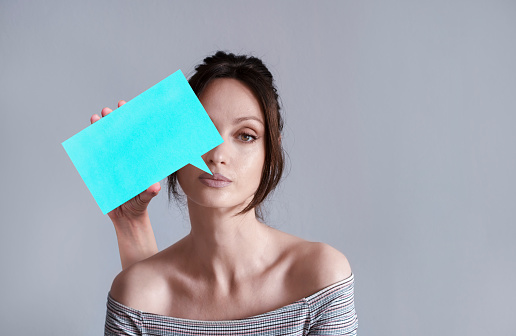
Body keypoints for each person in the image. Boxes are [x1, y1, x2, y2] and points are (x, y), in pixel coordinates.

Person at [92, 51, 358, 335]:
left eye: (246, 135)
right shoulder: (134, 294)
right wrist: (131, 224)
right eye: (202, 132)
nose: (218, 155)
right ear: (173, 148)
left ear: (271, 152)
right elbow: (146, 301)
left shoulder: (320, 278)